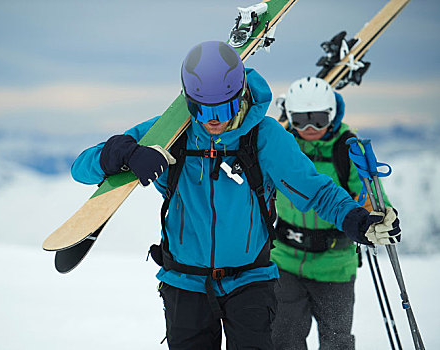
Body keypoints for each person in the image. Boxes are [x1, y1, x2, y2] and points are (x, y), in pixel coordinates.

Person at [70, 41, 401, 349]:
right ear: (188, 102)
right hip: (184, 283)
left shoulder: (264, 137)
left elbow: (315, 191)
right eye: (202, 111)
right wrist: (125, 153)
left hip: (250, 283)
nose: (214, 121)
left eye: (225, 108)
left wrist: (357, 220)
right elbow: (82, 168)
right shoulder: (171, 134)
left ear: (241, 92)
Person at [271, 76, 393, 350]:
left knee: (336, 342)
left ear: (333, 114)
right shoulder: (280, 146)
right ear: (289, 116)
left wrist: (378, 216)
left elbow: (373, 197)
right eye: (301, 119)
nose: (311, 127)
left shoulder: (349, 149)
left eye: (319, 118)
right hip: (285, 260)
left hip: (335, 264)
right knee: (282, 339)